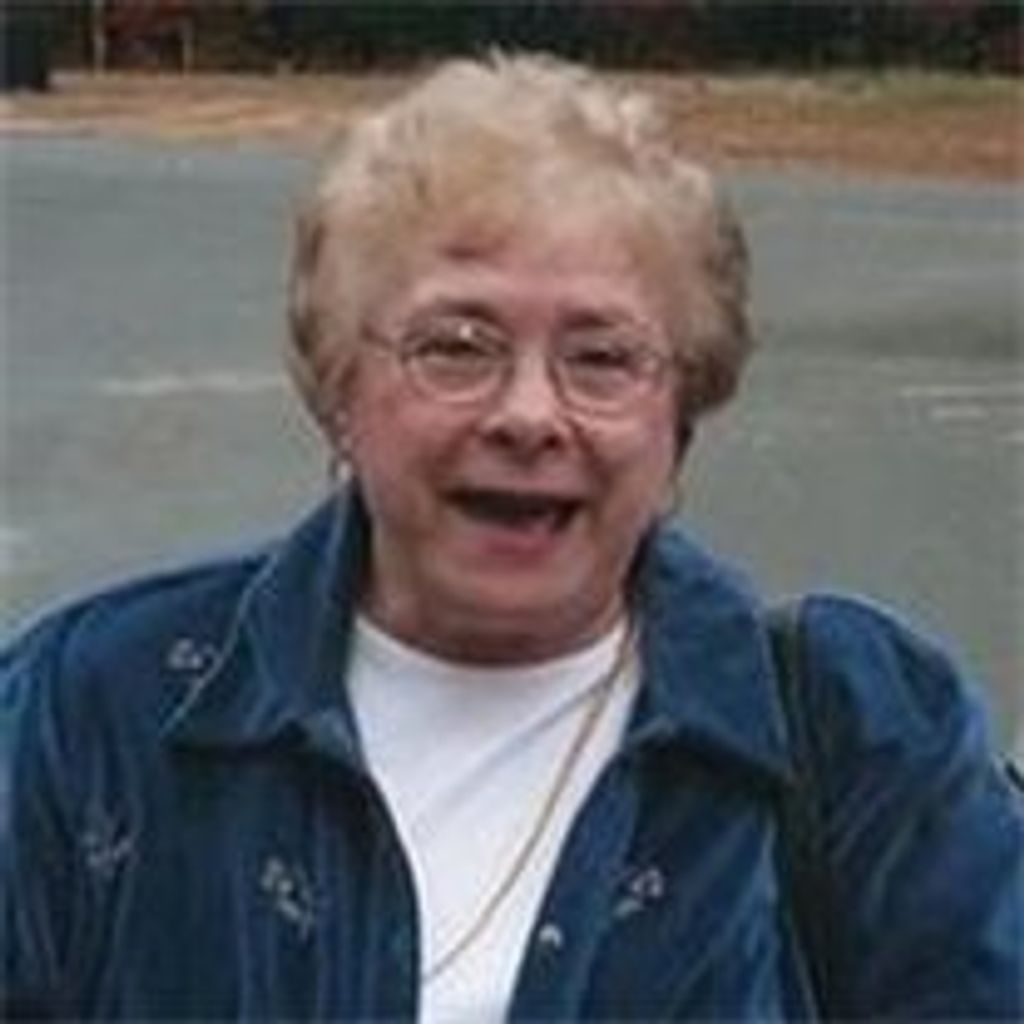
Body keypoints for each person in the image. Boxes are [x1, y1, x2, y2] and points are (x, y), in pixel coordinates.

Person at [2, 53, 1021, 1021]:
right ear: (338, 389)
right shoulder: (92, 714)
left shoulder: (859, 739)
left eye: (601, 357)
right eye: (457, 346)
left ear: (680, 415)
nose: (528, 415)